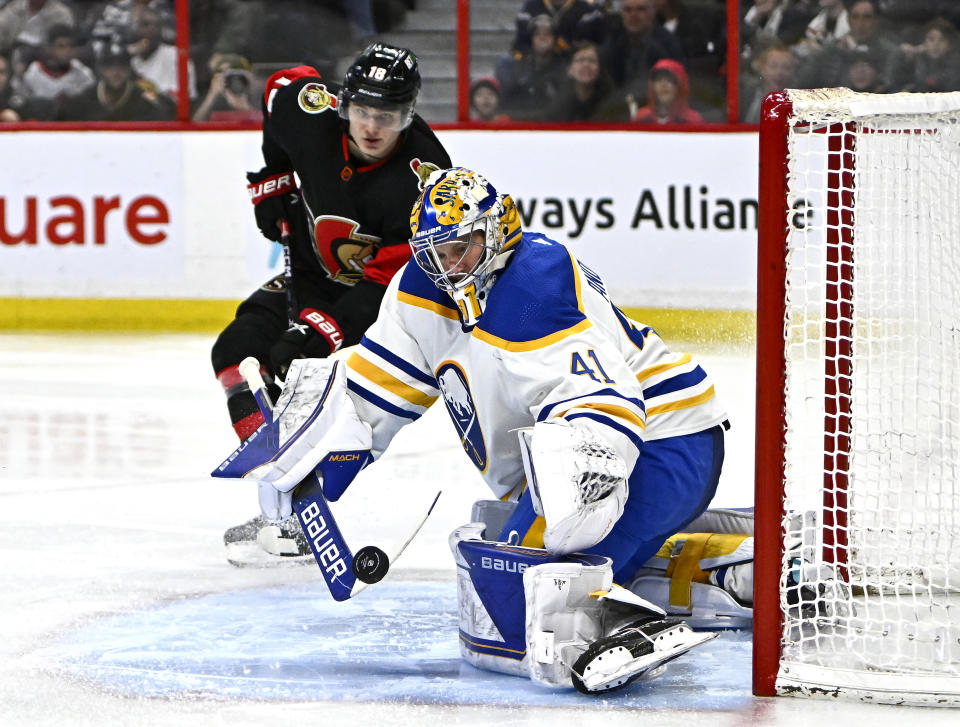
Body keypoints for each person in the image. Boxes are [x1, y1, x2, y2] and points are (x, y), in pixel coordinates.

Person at [227, 166, 729, 692]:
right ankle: (682, 569)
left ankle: (709, 575)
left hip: (664, 444)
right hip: (605, 452)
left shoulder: (535, 285)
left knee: (520, 616)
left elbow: (606, 406)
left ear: (496, 231)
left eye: (461, 247)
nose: (448, 266)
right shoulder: (421, 289)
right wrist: (310, 454)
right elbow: (376, 388)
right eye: (434, 252)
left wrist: (573, 493)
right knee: (506, 591)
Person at [212, 42, 451, 563]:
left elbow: (392, 283)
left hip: (383, 306)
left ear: (408, 115)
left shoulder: (426, 178)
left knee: (318, 384)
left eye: (387, 116)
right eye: (362, 111)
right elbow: (280, 86)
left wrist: (319, 330)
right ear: (343, 105)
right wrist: (273, 178)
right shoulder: (312, 115)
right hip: (310, 276)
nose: (371, 126)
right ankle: (278, 497)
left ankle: (298, 498)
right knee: (236, 353)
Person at [598, 0, 685, 102]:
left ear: (653, 12)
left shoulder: (668, 45)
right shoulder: (613, 41)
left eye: (641, 9)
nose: (633, 15)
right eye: (628, 10)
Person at [62, 43, 175, 121]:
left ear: (129, 69)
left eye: (121, 66)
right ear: (100, 69)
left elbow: (165, 110)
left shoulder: (143, 97)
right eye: (109, 66)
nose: (116, 72)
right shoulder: (85, 98)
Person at [495, 13, 568, 121]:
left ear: (554, 40)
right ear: (531, 39)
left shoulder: (564, 68)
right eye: (538, 34)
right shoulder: (517, 66)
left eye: (548, 34)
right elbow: (508, 103)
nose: (543, 38)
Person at [546, 40, 630, 122]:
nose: (586, 65)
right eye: (580, 60)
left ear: (599, 69)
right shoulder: (556, 103)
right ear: (569, 69)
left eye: (592, 61)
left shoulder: (613, 105)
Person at [19, 23, 94, 113]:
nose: (67, 51)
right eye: (61, 46)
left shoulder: (83, 74)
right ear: (49, 48)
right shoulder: (33, 73)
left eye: (70, 46)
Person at [127, 7, 195, 104]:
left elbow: (178, 102)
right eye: (145, 25)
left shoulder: (176, 57)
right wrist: (127, 56)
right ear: (136, 28)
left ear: (161, 30)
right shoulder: (129, 57)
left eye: (156, 26)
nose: (151, 30)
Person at [632, 58, 703, 124]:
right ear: (651, 86)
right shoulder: (641, 118)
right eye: (659, 80)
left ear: (680, 86)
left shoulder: (692, 121)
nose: (664, 85)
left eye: (669, 80)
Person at [191, 52, 259, 122]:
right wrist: (211, 96)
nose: (232, 80)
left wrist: (246, 108)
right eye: (224, 74)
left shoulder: (256, 96)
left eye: (236, 74)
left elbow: (265, 125)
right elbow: (194, 125)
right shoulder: (210, 97)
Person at [739, 42, 797, 123]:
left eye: (786, 67)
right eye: (773, 66)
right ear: (762, 69)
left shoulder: (799, 101)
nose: (779, 72)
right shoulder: (746, 96)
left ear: (793, 72)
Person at [901, 16, 960, 93]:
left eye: (942, 40)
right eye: (931, 39)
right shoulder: (918, 59)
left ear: (950, 44)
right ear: (924, 41)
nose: (936, 44)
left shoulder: (955, 63)